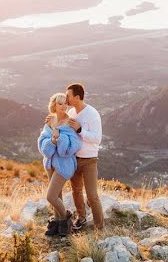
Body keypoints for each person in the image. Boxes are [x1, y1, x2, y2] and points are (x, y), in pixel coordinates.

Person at [37, 92, 83, 237]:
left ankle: (66, 217)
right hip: (50, 162)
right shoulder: (50, 119)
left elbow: (71, 148)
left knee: (51, 196)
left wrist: (59, 137)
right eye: (60, 103)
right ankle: (57, 223)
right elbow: (42, 143)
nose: (64, 106)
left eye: (65, 103)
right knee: (57, 195)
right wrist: (52, 141)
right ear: (54, 105)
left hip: (64, 165)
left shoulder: (70, 122)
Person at [65, 83, 104, 231]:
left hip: (89, 161)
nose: (66, 98)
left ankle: (99, 227)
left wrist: (80, 130)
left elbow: (97, 139)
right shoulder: (72, 113)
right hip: (74, 159)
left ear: (77, 97)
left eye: (68, 95)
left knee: (92, 195)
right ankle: (81, 218)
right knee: (76, 191)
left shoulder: (92, 114)